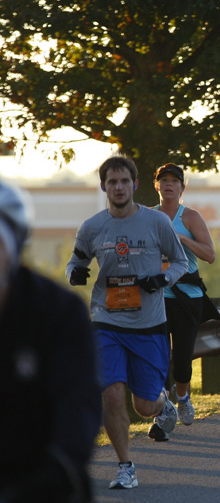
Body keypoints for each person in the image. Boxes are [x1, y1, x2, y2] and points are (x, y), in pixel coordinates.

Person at [65, 155, 189, 488]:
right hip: (106, 322)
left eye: (124, 181)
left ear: (134, 184)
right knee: (112, 395)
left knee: (144, 406)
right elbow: (75, 262)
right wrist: (74, 274)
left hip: (148, 324)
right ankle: (125, 467)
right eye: (112, 182)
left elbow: (180, 262)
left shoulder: (156, 222)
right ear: (103, 186)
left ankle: (162, 405)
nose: (118, 187)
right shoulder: (92, 227)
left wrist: (162, 279)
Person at [0, 180, 102, 502]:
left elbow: (78, 401)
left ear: (14, 246)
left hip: (39, 480)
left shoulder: (58, 311)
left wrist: (60, 468)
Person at [152, 163, 216, 428]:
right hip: (157, 295)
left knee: (182, 355)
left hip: (188, 295)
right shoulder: (148, 216)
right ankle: (163, 408)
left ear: (182, 187)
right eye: (164, 180)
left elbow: (210, 255)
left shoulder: (190, 217)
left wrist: (182, 238)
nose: (169, 185)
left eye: (174, 181)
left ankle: (183, 397)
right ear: (156, 185)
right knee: (157, 354)